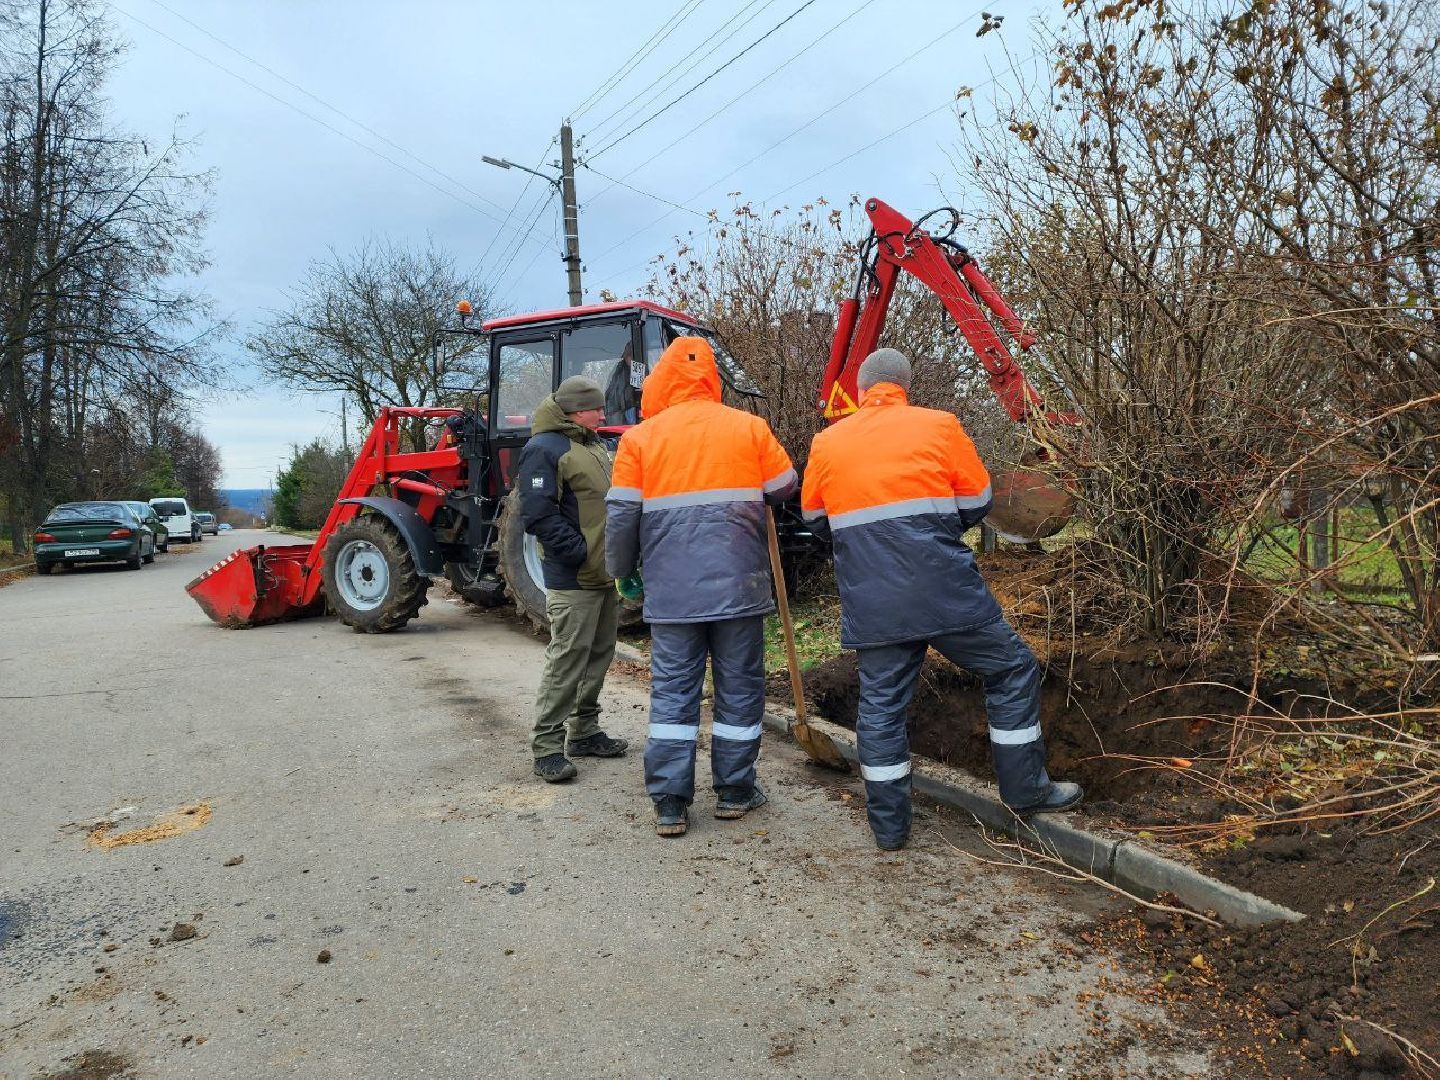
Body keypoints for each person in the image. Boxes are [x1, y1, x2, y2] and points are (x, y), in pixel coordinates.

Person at [800, 348, 1082, 850]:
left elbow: (817, 521)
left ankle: (889, 829)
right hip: (946, 593)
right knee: (1011, 667)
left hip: (875, 601)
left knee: (882, 705)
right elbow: (977, 501)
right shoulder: (940, 426)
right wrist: (931, 533)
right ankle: (1025, 791)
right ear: (905, 386)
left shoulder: (827, 442)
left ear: (861, 390)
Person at [606, 335, 798, 837]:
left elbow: (622, 514)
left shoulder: (640, 439)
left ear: (664, 381)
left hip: (672, 595)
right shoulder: (749, 428)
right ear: (712, 378)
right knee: (739, 688)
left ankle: (670, 801)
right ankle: (734, 790)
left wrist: (623, 569)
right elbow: (784, 485)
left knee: (673, 692)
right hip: (739, 589)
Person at [516, 375, 629, 782]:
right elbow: (538, 515)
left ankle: (584, 731)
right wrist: (580, 553)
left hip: (604, 575)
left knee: (599, 654)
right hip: (574, 577)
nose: (603, 413)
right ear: (575, 410)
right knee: (567, 659)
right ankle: (547, 747)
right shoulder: (544, 449)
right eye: (597, 408)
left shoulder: (592, 445)